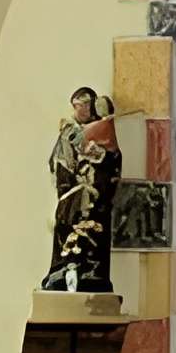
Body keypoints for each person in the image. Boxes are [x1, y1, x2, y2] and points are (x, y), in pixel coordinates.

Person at [42, 85, 121, 292]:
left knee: (93, 230)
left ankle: (91, 272)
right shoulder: (69, 132)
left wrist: (98, 156)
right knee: (64, 223)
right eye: (76, 105)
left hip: (94, 194)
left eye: (84, 105)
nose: (79, 109)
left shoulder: (103, 130)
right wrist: (69, 174)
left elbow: (112, 161)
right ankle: (61, 269)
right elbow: (57, 160)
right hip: (71, 190)